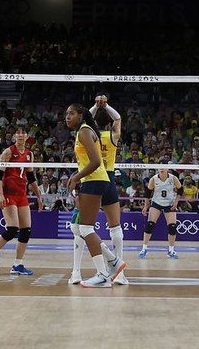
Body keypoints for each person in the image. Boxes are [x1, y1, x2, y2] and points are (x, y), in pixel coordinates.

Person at [64, 103, 126, 288]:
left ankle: (104, 273)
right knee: (78, 227)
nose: (67, 117)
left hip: (94, 180)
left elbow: (96, 161)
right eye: (66, 114)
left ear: (81, 115)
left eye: (71, 113)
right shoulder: (86, 130)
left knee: (84, 229)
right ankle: (113, 262)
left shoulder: (84, 131)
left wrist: (75, 177)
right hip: (96, 180)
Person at [0, 126, 44, 275]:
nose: (21, 135)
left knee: (26, 230)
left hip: (21, 195)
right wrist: (1, 195)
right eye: (18, 133)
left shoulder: (29, 154)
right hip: (9, 193)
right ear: (15, 136)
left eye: (23, 132)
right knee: (12, 229)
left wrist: (39, 197)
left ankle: (17, 264)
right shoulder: (8, 152)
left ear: (27, 136)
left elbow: (31, 178)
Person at [139, 168, 182, 259]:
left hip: (169, 204)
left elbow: (180, 190)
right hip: (156, 203)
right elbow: (147, 193)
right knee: (150, 225)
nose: (162, 168)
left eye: (164, 167)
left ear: (167, 168)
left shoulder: (173, 178)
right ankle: (144, 249)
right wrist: (146, 206)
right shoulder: (153, 179)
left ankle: (171, 250)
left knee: (172, 227)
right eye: (160, 167)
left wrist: (176, 202)